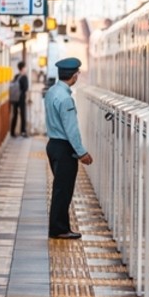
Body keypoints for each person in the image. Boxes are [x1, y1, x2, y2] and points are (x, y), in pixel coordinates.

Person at [44, 57, 93, 239]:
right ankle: (58, 229)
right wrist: (82, 153)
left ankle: (61, 227)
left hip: (53, 144)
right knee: (63, 190)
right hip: (64, 148)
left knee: (60, 189)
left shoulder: (52, 92)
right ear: (74, 76)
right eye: (77, 74)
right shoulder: (65, 99)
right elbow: (71, 130)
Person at [10, 61, 29, 138]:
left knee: (15, 115)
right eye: (25, 67)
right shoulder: (24, 77)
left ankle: (12, 132)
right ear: (23, 68)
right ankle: (23, 132)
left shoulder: (16, 76)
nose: (26, 68)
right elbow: (26, 88)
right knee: (23, 115)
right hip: (21, 99)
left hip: (15, 98)